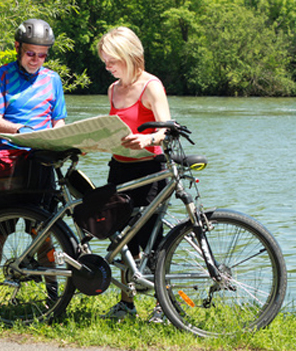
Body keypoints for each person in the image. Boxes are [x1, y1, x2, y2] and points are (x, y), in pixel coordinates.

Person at [0, 19, 66, 295]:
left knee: (42, 232)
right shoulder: (1, 76)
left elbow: (58, 123)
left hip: (40, 164)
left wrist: (58, 139)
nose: (36, 60)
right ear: (17, 47)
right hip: (5, 163)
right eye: (31, 54)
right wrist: (22, 130)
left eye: (43, 55)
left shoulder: (52, 79)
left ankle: (53, 295)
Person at [97, 26, 171, 321]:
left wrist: (147, 138)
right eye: (104, 61)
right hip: (119, 169)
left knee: (153, 238)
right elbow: (113, 129)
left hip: (150, 169)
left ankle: (162, 308)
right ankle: (126, 304)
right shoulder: (113, 90)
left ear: (128, 55)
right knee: (122, 238)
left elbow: (166, 128)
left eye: (111, 60)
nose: (107, 67)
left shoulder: (151, 85)